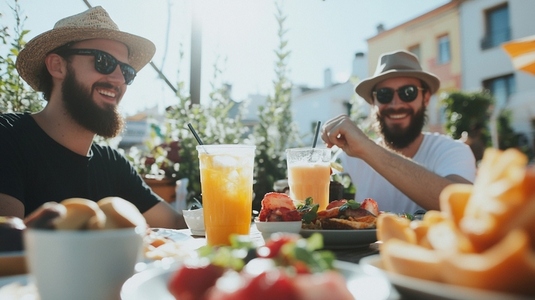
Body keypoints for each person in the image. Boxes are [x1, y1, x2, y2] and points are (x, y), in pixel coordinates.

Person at [0, 6, 186, 228]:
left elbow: (174, 222)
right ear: (57, 66)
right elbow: (6, 241)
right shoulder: (8, 138)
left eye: (127, 71)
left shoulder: (111, 163)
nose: (119, 79)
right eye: (103, 61)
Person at [321, 50, 476, 214]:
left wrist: (367, 149)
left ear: (426, 97)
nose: (396, 104)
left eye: (408, 92)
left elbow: (463, 204)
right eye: (384, 94)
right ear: (373, 102)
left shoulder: (452, 151)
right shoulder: (348, 159)